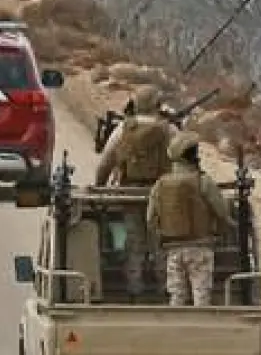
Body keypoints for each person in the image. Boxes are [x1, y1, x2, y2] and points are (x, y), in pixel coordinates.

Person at [93, 85, 175, 299]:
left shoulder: (123, 129)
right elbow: (186, 163)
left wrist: (98, 189)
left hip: (130, 193)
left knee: (134, 242)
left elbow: (105, 163)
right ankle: (165, 290)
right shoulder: (169, 130)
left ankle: (134, 289)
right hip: (161, 193)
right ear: (158, 105)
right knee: (160, 242)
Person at [146, 132, 237, 306]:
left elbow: (150, 219)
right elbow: (222, 212)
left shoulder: (160, 184)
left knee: (177, 296)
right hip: (200, 247)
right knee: (201, 296)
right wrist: (228, 227)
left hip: (173, 250)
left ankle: (177, 330)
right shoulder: (203, 181)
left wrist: (160, 238)